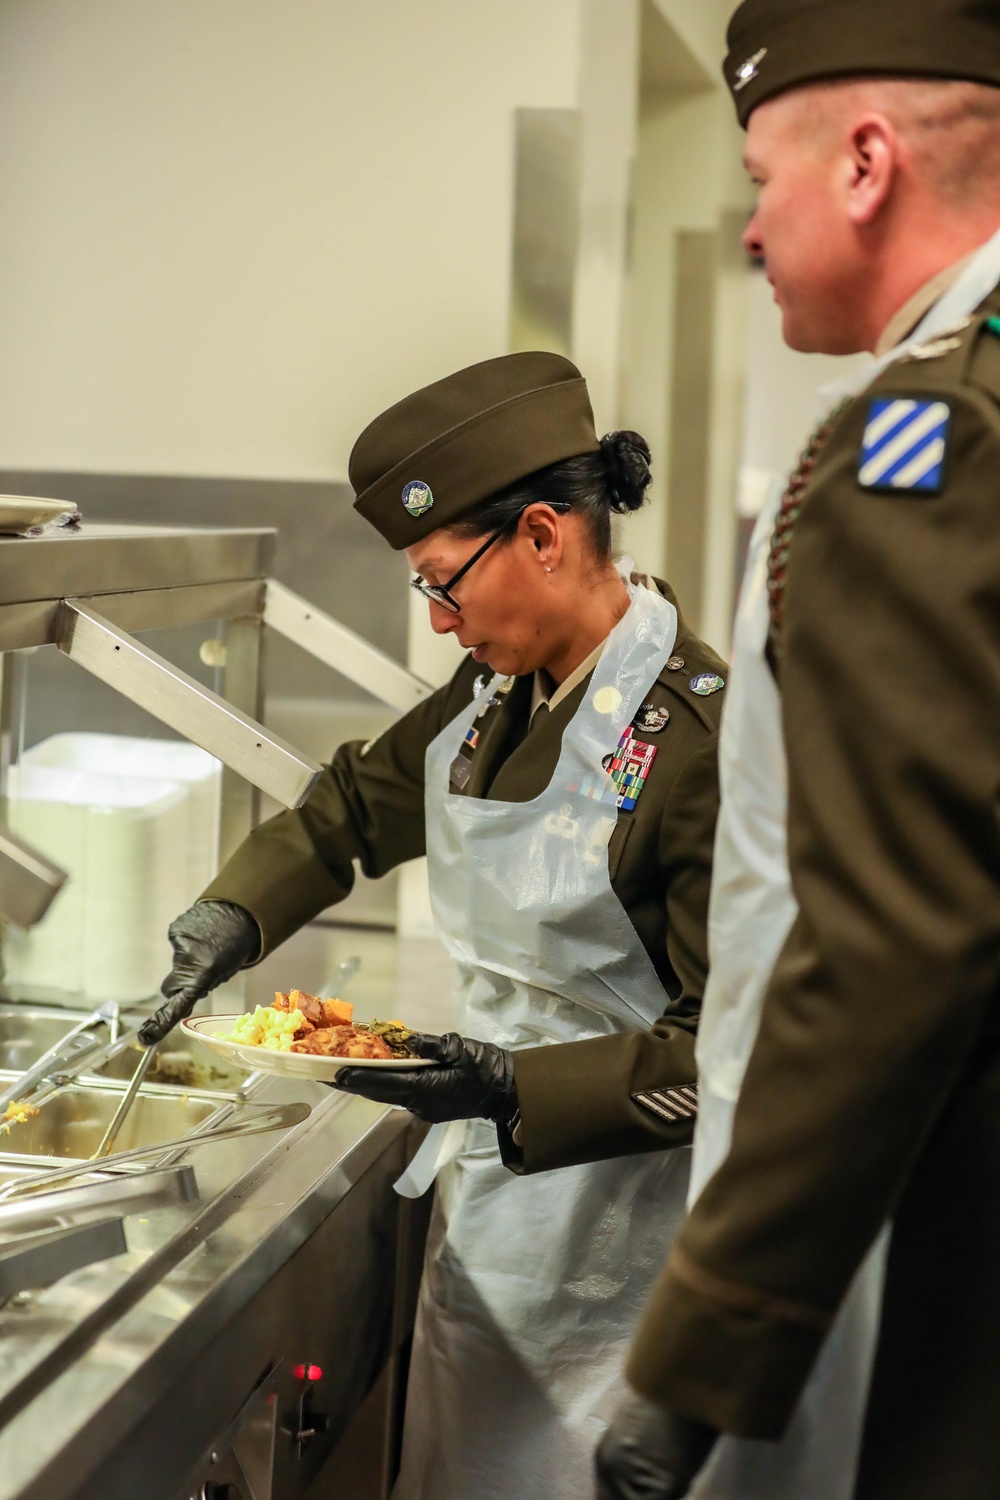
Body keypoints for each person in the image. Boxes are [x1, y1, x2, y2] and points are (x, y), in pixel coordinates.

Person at [138, 351, 728, 1500]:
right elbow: (355, 805)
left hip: (631, 1257)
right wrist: (230, 916)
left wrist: (518, 1088)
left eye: (444, 582)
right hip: (497, 1222)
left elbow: (735, 1053)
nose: (443, 623)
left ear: (546, 537)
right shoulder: (493, 699)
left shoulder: (696, 743)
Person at [595, 3, 1000, 1499]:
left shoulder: (921, 447)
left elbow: (896, 937)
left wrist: (702, 1353)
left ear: (867, 163)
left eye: (765, 174)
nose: (753, 224)